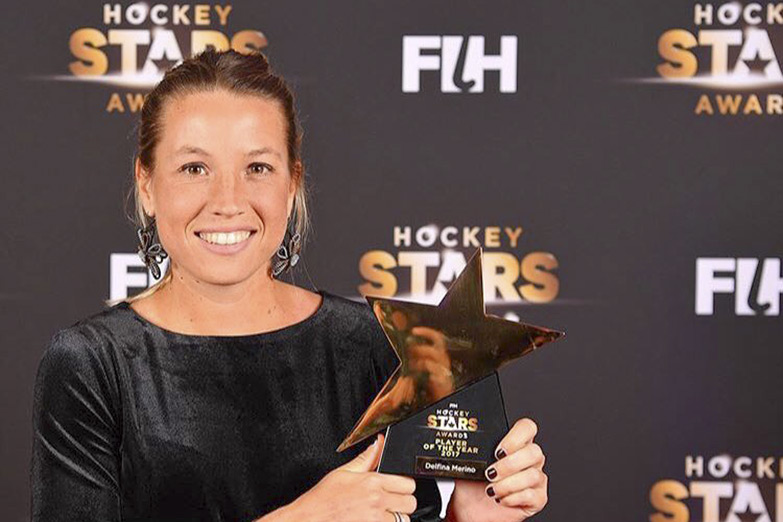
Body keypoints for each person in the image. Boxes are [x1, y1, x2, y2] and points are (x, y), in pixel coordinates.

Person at [30, 48, 548, 522]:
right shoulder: (91, 365)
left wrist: (468, 518)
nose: (227, 201)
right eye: (194, 168)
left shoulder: (382, 347)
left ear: (292, 182)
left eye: (257, 167)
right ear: (146, 184)